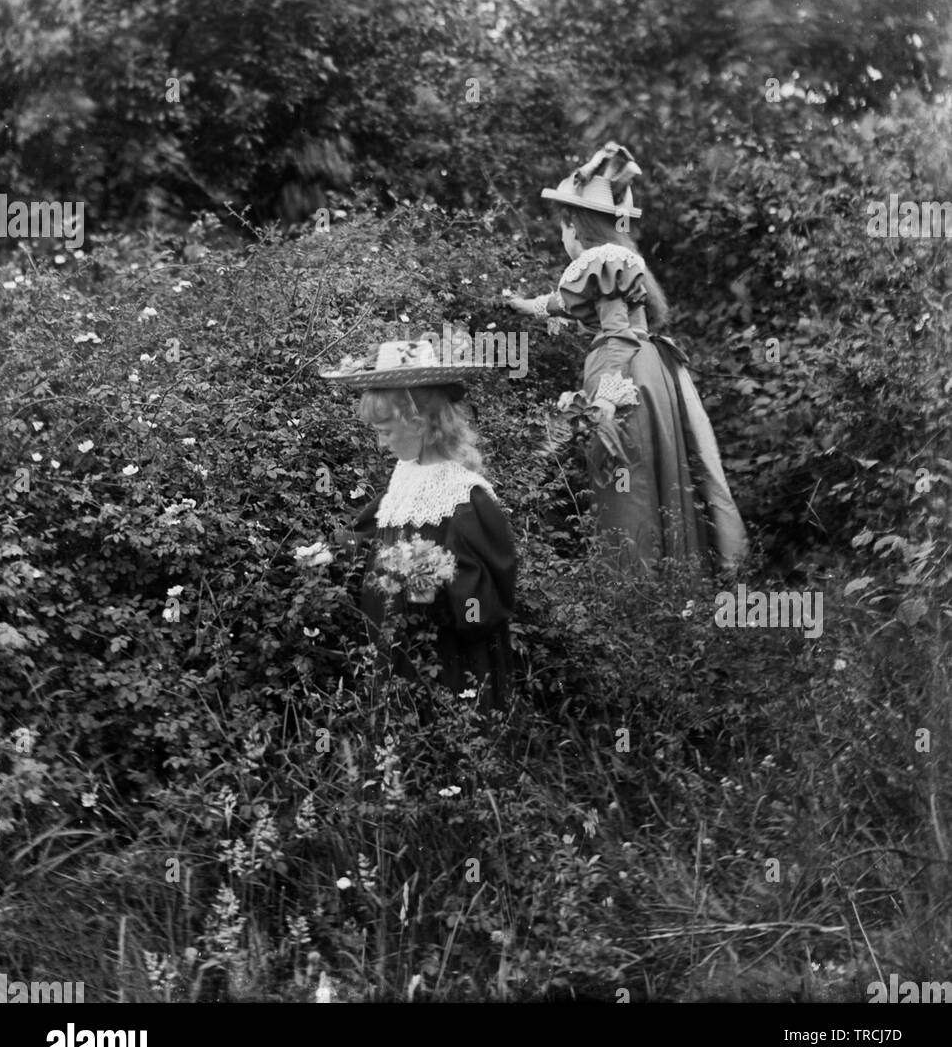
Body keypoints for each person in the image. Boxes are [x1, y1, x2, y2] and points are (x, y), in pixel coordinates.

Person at [506, 142, 748, 575]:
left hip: (623, 364)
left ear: (573, 228)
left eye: (563, 229)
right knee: (661, 470)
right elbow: (574, 303)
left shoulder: (599, 260)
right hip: (652, 367)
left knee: (625, 471)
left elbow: (614, 328)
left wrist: (608, 394)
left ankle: (636, 582)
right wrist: (526, 305)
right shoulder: (620, 258)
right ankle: (675, 577)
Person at [320, 338, 516, 712]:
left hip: (446, 655)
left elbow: (490, 595)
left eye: (385, 431)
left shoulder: (465, 497)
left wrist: (437, 587)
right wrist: (333, 550)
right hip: (397, 644)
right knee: (401, 727)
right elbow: (375, 532)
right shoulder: (406, 475)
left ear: (420, 424)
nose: (380, 443)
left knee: (443, 725)